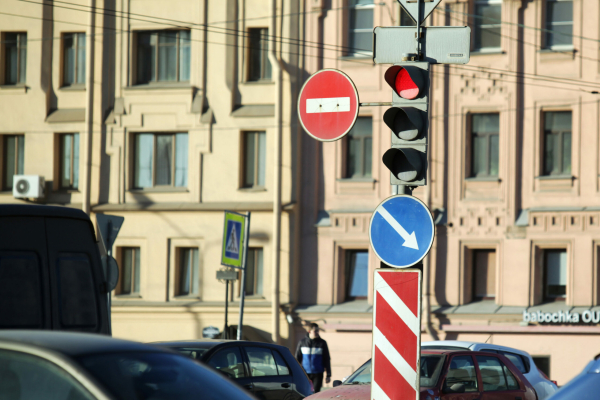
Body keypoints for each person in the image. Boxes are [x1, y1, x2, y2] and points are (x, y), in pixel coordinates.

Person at [295, 323, 331, 392]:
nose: (317, 332)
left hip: (318, 373)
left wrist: (328, 375)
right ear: (309, 331)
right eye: (315, 331)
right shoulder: (302, 343)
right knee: (305, 392)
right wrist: (297, 372)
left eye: (318, 330)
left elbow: (327, 359)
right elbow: (297, 359)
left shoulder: (322, 343)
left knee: (316, 393)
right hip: (305, 373)